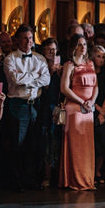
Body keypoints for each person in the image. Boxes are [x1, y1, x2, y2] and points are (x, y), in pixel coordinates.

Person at [3, 25, 50, 191]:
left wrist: (28, 79)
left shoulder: (40, 59)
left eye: (31, 38)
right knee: (18, 144)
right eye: (25, 38)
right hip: (18, 103)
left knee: (34, 143)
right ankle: (17, 182)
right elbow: (15, 80)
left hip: (35, 104)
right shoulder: (10, 58)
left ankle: (32, 180)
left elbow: (46, 80)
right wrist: (34, 77)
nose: (29, 42)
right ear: (17, 40)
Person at [59, 34, 97, 191]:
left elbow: (96, 86)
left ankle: (88, 179)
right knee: (76, 147)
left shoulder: (90, 64)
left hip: (88, 109)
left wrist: (92, 102)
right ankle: (76, 180)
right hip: (75, 109)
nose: (83, 47)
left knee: (87, 146)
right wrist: (82, 102)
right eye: (79, 44)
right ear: (73, 47)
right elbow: (64, 88)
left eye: (85, 45)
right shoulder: (69, 65)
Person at [37, 38, 63, 189]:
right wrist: (50, 72)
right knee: (46, 142)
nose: (52, 52)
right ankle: (46, 176)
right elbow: (44, 89)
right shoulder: (40, 65)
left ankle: (58, 176)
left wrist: (59, 73)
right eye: (49, 49)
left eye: (54, 49)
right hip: (44, 107)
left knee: (57, 141)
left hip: (58, 106)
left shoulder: (62, 65)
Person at [91, 45, 105, 184]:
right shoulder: (89, 71)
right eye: (98, 56)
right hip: (91, 108)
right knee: (93, 142)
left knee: (103, 141)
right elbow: (90, 92)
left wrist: (103, 109)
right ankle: (91, 171)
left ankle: (99, 169)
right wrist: (98, 108)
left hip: (104, 108)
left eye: (103, 57)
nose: (101, 59)